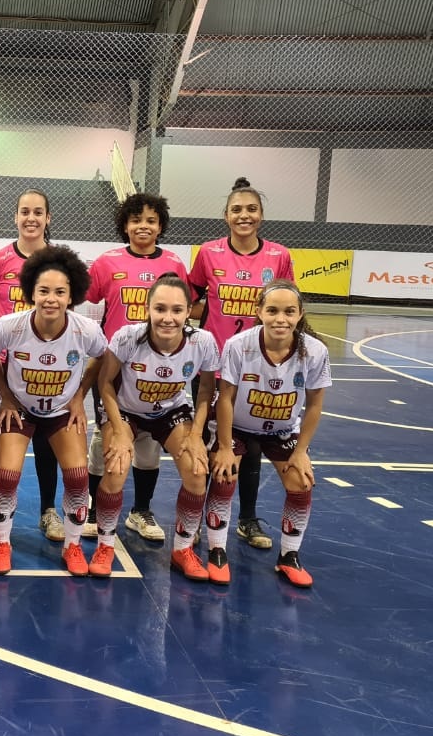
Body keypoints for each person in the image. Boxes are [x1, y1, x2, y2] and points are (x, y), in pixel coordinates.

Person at [0, 246, 108, 576]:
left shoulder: (86, 330)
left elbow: (101, 357)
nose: (51, 299)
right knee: (7, 476)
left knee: (78, 478)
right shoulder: (11, 325)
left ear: (72, 296)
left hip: (61, 411)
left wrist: (80, 395)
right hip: (20, 409)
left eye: (59, 292)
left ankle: (73, 546)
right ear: (30, 293)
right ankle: (2, 543)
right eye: (43, 291)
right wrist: (7, 398)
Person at [188, 177, 295, 551]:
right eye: (236, 210)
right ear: (225, 216)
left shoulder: (279, 256)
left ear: (261, 215)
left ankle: (246, 519)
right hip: (212, 366)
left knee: (250, 444)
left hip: (258, 367)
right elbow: (190, 295)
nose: (243, 216)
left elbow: (286, 305)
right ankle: (197, 520)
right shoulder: (208, 253)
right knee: (204, 443)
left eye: (251, 209)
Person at [94, 274, 220, 581]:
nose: (168, 318)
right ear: (147, 309)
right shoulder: (127, 337)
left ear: (189, 311)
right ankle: (105, 545)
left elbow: (205, 392)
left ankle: (182, 548)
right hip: (126, 409)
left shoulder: (202, 341)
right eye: (160, 309)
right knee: (116, 465)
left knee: (196, 469)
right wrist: (119, 429)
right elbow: (105, 382)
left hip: (171, 410)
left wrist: (194, 435)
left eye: (176, 310)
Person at [208, 280, 331, 588]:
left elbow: (315, 405)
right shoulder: (240, 345)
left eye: (289, 312)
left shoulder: (315, 351)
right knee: (225, 475)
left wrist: (301, 451)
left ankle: (289, 556)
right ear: (259, 311)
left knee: (301, 483)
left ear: (300, 314)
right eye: (273, 310)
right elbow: (224, 397)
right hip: (236, 424)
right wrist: (224, 446)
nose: (281, 319)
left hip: (282, 428)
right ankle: (216, 549)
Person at [84, 192, 188, 542]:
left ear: (161, 226)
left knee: (148, 445)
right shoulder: (106, 262)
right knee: (107, 437)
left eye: (151, 220)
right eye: (136, 220)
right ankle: (95, 508)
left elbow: (181, 311)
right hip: (116, 367)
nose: (143, 226)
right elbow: (90, 303)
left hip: (161, 367)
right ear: (124, 225)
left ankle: (140, 511)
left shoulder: (174, 263)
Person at [0, 190, 63, 542]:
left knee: (47, 439)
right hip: (2, 365)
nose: (31, 218)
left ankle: (48, 511)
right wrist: (11, 337)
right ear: (15, 217)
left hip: (47, 366)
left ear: (48, 218)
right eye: (25, 212)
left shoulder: (59, 262)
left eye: (38, 212)